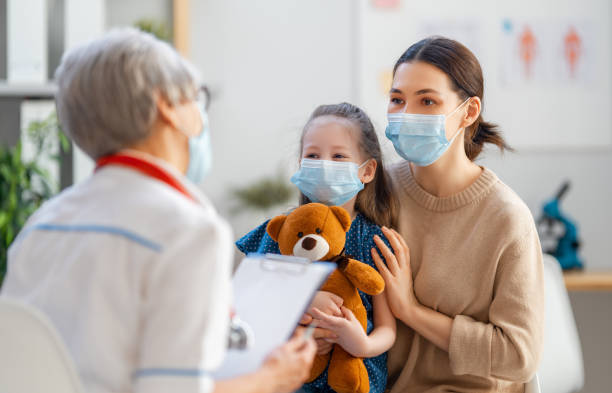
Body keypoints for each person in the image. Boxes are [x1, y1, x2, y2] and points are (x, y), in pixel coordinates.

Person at [1, 28, 315, 393]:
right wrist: (270, 380)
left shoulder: (42, 224)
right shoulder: (187, 230)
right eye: (196, 97)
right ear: (166, 104)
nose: (199, 111)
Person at [369, 37, 544, 392]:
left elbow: (519, 356)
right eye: (397, 99)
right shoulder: (376, 191)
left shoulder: (507, 219)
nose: (406, 115)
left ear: (469, 111)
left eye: (427, 101)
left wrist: (411, 311)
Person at [236, 103, 397, 393]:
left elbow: (387, 329)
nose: (324, 164)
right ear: (301, 165)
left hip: (356, 377)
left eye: (338, 156)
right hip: (290, 375)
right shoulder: (279, 235)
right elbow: (248, 307)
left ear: (368, 170)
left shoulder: (375, 241)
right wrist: (301, 303)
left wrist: (361, 343)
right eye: (313, 156)